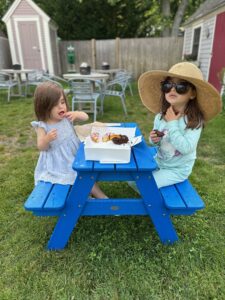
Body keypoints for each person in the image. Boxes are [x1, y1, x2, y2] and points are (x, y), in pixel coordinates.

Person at [134, 62, 222, 189]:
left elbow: (186, 148)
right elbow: (156, 141)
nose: (173, 89)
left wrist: (172, 123)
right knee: (132, 177)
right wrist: (154, 139)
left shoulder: (194, 121)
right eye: (168, 85)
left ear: (192, 94)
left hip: (177, 170)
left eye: (181, 86)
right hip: (159, 161)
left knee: (145, 185)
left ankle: (155, 203)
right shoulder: (160, 116)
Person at [31, 81, 107, 198]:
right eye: (55, 105)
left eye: (62, 102)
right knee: (82, 174)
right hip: (59, 163)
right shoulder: (43, 125)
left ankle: (87, 190)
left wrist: (77, 114)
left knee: (92, 166)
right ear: (45, 107)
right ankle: (102, 197)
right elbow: (41, 146)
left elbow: (85, 116)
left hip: (75, 154)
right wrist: (47, 139)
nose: (61, 106)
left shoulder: (66, 117)